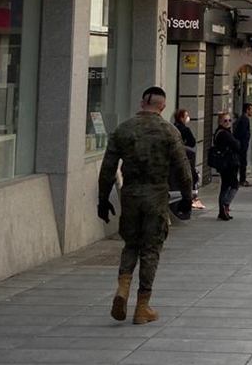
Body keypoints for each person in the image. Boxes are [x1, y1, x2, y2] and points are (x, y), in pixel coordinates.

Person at [97, 86, 191, 325]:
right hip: (156, 197)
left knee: (130, 245)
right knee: (150, 249)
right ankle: (142, 307)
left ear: (141, 103)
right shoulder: (169, 131)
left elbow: (108, 168)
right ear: (162, 106)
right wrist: (188, 198)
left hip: (130, 195)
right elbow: (183, 169)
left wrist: (103, 199)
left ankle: (122, 288)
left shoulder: (123, 129)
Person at [210, 112, 242, 221]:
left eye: (229, 120)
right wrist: (237, 143)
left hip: (227, 163)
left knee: (226, 186)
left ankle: (222, 210)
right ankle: (225, 205)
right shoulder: (224, 134)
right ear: (220, 122)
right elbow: (236, 145)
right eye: (225, 121)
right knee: (233, 185)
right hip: (228, 164)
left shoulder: (224, 132)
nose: (228, 123)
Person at [172, 109, 204, 210]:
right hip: (183, 157)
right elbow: (192, 142)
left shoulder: (173, 127)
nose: (188, 118)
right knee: (191, 175)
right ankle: (191, 198)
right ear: (182, 118)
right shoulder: (185, 130)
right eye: (186, 116)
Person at [233, 104, 252, 187]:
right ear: (247, 110)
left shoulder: (243, 119)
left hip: (241, 144)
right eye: (251, 109)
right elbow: (242, 134)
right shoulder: (244, 120)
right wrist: (243, 145)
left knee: (241, 162)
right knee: (242, 162)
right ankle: (242, 179)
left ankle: (242, 179)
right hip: (242, 145)